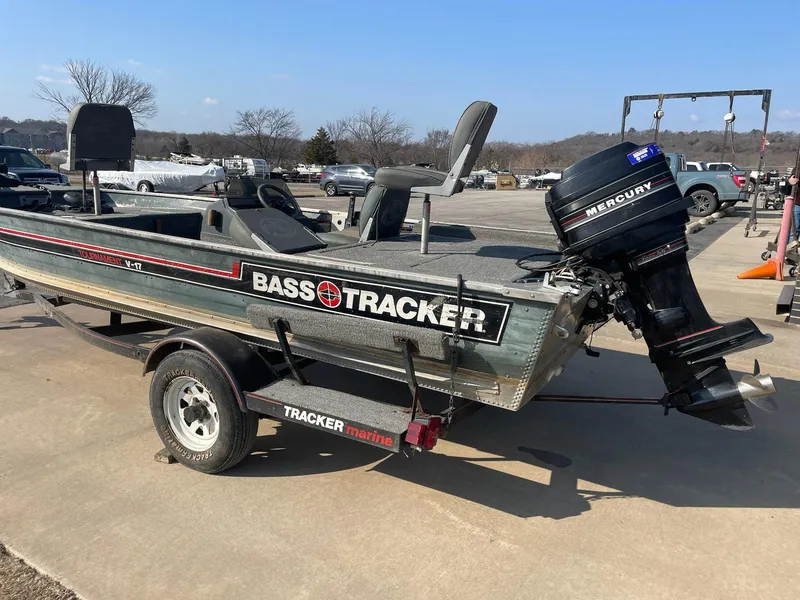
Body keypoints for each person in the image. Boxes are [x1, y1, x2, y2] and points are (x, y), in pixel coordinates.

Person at [789, 167, 800, 242]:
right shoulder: (798, 168)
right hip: (798, 204)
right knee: (794, 230)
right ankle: (792, 247)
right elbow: (791, 179)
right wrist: (791, 180)